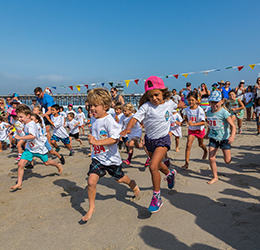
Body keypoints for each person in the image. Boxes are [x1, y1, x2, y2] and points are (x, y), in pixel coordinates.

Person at [120, 76, 179, 213]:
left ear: (163, 92)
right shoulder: (146, 107)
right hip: (150, 141)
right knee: (157, 165)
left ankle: (157, 197)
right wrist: (129, 128)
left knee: (152, 166)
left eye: (157, 95)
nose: (154, 98)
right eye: (150, 96)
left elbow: (179, 105)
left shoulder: (169, 104)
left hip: (163, 140)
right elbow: (134, 118)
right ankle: (170, 174)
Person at [81, 88, 140, 222]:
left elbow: (114, 139)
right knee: (91, 182)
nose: (92, 109)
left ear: (106, 106)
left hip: (111, 159)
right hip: (98, 158)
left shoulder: (109, 121)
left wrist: (96, 142)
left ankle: (132, 184)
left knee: (120, 179)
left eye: (96, 105)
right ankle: (91, 208)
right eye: (91, 105)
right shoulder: (93, 119)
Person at [11, 105, 63, 190]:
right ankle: (19, 183)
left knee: (46, 163)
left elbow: (32, 136)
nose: (19, 119)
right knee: (20, 164)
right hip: (30, 149)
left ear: (28, 116)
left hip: (39, 148)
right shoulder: (25, 123)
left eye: (21, 117)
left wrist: (20, 138)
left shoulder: (31, 124)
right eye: (18, 117)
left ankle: (58, 165)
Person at [205, 91, 236, 184]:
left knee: (227, 160)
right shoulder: (209, 112)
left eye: (216, 102)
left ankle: (227, 156)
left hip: (224, 139)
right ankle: (215, 177)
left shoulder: (224, 112)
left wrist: (232, 136)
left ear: (222, 101)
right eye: (212, 102)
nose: (214, 104)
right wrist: (207, 134)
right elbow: (210, 125)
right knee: (211, 158)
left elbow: (233, 126)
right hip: (213, 138)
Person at [181, 91, 207, 169]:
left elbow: (203, 122)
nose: (191, 102)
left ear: (196, 100)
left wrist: (193, 124)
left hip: (199, 129)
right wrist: (182, 122)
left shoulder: (200, 110)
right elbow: (186, 117)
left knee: (200, 144)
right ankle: (186, 163)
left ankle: (205, 150)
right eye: (189, 100)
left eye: (192, 100)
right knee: (188, 145)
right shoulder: (187, 109)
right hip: (191, 130)